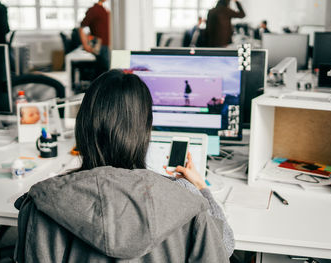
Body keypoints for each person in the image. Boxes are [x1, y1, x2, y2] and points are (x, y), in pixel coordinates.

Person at [14, 70, 234, 262]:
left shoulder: (45, 200)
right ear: (145, 131)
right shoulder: (186, 198)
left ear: (82, 128)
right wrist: (202, 189)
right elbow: (223, 247)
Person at [79, 0, 110, 75]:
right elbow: (81, 28)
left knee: (105, 69)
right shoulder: (93, 10)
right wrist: (85, 45)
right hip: (100, 45)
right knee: (103, 71)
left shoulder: (104, 9)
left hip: (106, 45)